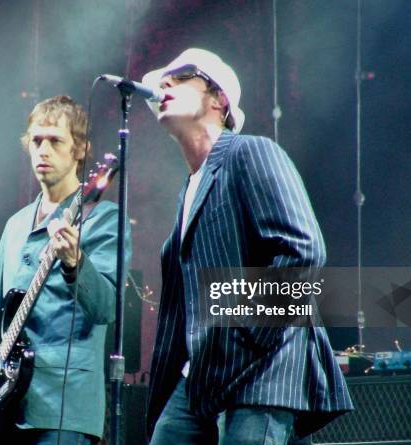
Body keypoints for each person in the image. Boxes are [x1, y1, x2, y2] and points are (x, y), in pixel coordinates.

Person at [140, 48, 353, 444]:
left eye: (182, 76)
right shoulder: (190, 188)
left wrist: (243, 338)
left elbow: (302, 253)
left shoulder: (251, 152)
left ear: (219, 99)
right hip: (200, 374)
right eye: (163, 79)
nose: (165, 84)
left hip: (261, 367)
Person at [0, 95, 130, 445]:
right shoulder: (15, 225)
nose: (42, 150)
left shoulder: (104, 220)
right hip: (3, 407)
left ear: (80, 150)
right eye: (36, 140)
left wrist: (76, 263)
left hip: (64, 408)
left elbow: (107, 308)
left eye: (55, 141)